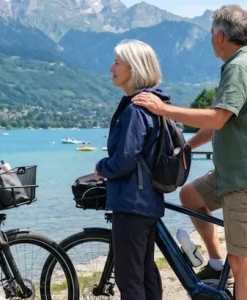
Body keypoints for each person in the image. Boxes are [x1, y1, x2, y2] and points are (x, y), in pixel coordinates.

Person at [131, 5, 247, 300]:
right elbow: (219, 125)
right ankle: (214, 263)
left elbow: (216, 118)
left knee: (241, 262)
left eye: (211, 35)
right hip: (235, 173)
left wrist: (163, 110)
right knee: (190, 196)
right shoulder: (245, 63)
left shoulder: (239, 67)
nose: (211, 40)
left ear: (221, 36)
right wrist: (185, 147)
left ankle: (226, 268)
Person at [93, 39, 168, 300]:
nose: (111, 67)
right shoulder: (150, 103)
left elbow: (124, 159)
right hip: (147, 202)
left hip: (132, 203)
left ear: (133, 67)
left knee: (129, 279)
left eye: (117, 62)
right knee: (145, 274)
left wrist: (101, 167)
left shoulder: (137, 108)